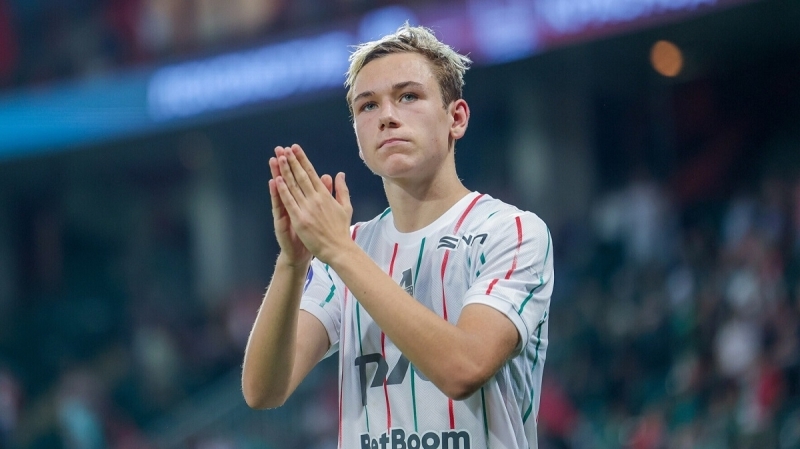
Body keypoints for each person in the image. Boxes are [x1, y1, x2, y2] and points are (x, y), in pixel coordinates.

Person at [242, 24, 553, 449]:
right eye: (368, 105)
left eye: (408, 96)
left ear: (456, 118)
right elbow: (263, 391)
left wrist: (338, 250)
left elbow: (464, 369)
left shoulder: (511, 231)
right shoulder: (343, 249)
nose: (387, 116)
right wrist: (293, 262)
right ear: (358, 137)